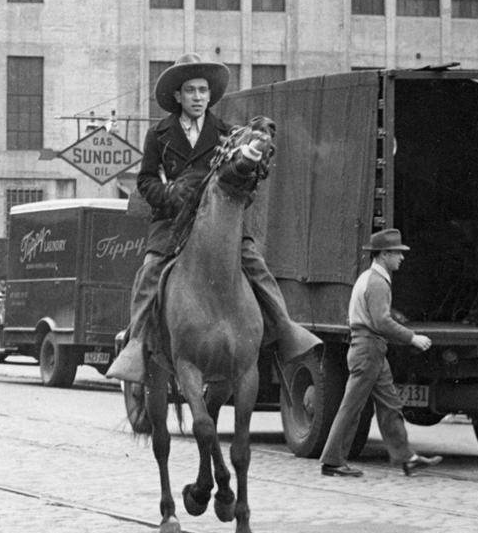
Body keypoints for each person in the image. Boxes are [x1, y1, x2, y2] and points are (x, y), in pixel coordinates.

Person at [107, 56, 322, 385]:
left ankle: (284, 328)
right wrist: (168, 193)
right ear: (178, 96)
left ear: (210, 96)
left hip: (220, 220)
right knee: (149, 272)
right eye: (190, 90)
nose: (197, 96)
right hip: (172, 222)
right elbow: (145, 180)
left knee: (256, 265)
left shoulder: (225, 133)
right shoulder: (158, 134)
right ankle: (136, 344)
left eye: (203, 90)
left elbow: (243, 180)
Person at [319, 229, 442, 478]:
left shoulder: (369, 277)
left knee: (390, 403)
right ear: (384, 254)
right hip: (369, 348)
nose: (402, 258)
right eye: (397, 253)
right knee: (352, 406)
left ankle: (406, 457)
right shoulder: (377, 282)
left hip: (371, 348)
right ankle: (332, 461)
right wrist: (412, 337)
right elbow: (381, 321)